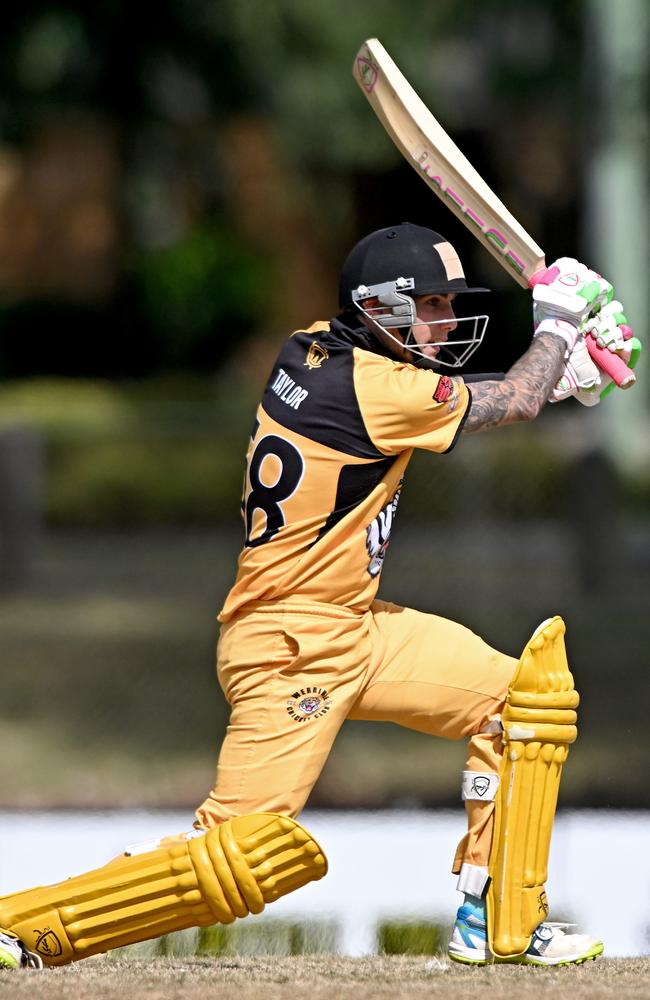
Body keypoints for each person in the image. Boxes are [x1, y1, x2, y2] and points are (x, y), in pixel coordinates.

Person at [0, 223, 634, 971]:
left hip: (353, 627)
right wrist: (558, 328)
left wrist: (558, 372)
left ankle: (497, 917)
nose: (445, 322)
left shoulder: (312, 349)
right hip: (291, 648)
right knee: (235, 855)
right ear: (377, 308)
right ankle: (22, 924)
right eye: (428, 305)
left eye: (447, 304)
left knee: (523, 701)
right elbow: (505, 405)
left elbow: (487, 399)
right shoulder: (379, 387)